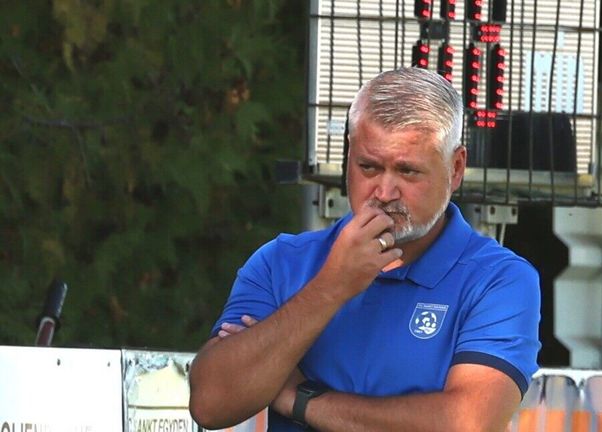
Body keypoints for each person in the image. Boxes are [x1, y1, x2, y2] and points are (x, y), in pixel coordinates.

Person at [189, 67, 541, 431]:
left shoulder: (499, 279)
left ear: (455, 168)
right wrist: (331, 286)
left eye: (407, 171)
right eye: (368, 167)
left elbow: (467, 424)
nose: (384, 193)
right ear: (348, 157)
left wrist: (302, 400)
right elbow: (211, 405)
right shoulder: (281, 261)